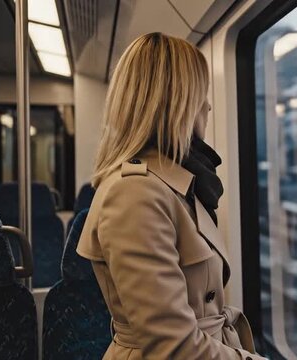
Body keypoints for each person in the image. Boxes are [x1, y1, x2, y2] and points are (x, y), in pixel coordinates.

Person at [77, 33, 265, 360]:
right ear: (177, 103)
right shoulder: (134, 193)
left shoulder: (176, 185)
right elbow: (173, 346)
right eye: (200, 95)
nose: (208, 105)